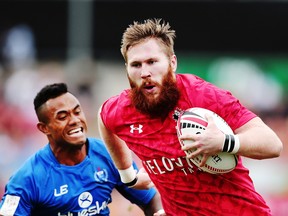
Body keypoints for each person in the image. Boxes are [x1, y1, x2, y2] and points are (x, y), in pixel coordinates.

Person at [98, 18, 283, 216]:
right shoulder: (120, 110)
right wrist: (128, 177)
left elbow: (273, 145)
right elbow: (104, 122)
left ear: (172, 62)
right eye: (136, 65)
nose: (145, 72)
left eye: (152, 62)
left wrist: (223, 142)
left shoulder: (204, 96)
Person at [0, 83, 165, 216]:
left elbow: (150, 199)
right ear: (44, 128)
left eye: (77, 112)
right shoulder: (27, 179)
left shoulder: (108, 154)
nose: (75, 120)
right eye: (63, 117)